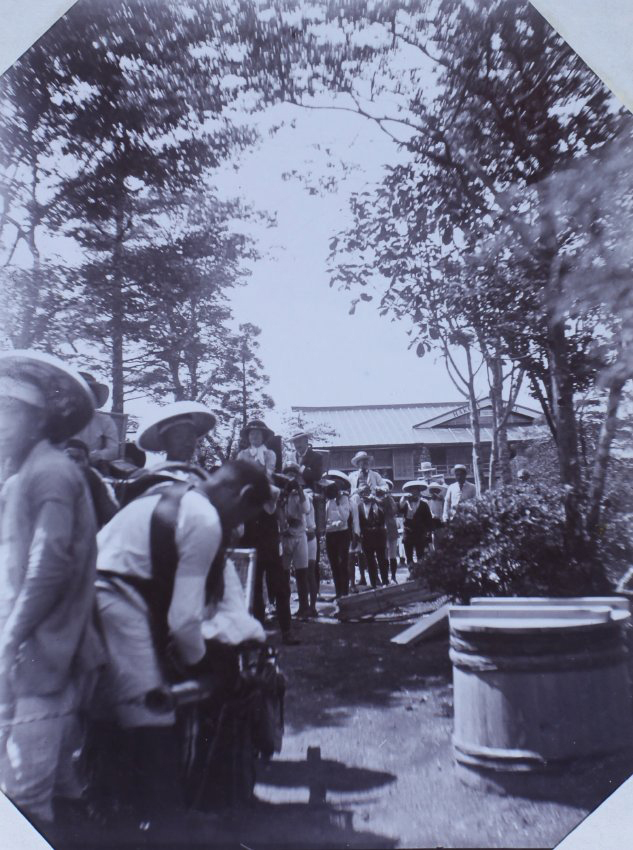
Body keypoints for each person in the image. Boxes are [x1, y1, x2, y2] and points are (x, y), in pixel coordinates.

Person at [94, 460, 271, 822]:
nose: (237, 526)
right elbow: (183, 621)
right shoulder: (204, 519)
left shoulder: (168, 494)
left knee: (110, 711)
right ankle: (168, 823)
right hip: (113, 597)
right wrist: (205, 667)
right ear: (244, 495)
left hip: (98, 594)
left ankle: (116, 809)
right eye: (243, 515)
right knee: (152, 711)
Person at [0, 350, 106, 830]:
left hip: (47, 655)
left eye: (11, 412)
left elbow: (48, 566)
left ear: (39, 420)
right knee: (59, 786)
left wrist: (10, 634)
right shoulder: (22, 477)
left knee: (23, 798)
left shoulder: (51, 473)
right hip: (34, 656)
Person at [235, 420, 298, 643]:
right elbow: (240, 478)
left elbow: (268, 476)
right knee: (253, 583)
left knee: (279, 582)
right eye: (252, 434)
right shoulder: (242, 454)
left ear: (264, 436)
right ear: (247, 436)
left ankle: (287, 630)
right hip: (250, 523)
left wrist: (258, 481)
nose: (255, 437)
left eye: (259, 434)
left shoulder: (270, 454)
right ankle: (258, 630)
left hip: (269, 524)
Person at [135, 400, 217, 464]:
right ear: (164, 441)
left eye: (191, 437)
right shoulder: (155, 478)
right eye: (179, 437)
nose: (187, 443)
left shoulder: (197, 476)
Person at [279, 462, 311, 620]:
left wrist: (299, 490)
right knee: (283, 574)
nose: (291, 478)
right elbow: (277, 509)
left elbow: (306, 510)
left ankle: (304, 607)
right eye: (288, 475)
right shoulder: (280, 494)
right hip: (285, 536)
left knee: (301, 572)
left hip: (299, 536)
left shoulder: (301, 494)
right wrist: (284, 492)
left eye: (294, 475)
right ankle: (284, 608)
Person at [65, 438, 120, 529]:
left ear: (87, 462)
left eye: (78, 459)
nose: (73, 464)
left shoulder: (94, 479)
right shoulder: (50, 480)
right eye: (69, 458)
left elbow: (112, 517)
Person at [72, 372, 120, 468]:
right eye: (80, 393)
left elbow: (113, 450)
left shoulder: (104, 421)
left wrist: (96, 455)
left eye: (89, 393)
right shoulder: (61, 418)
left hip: (94, 467)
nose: (84, 398)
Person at [324, 477, 352, 599]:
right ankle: (338, 592)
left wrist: (337, 502)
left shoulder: (344, 499)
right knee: (334, 564)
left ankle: (345, 593)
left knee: (342, 563)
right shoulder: (327, 501)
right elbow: (325, 519)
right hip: (330, 534)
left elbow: (345, 517)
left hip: (342, 534)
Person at [356, 484, 389, 587]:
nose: (364, 495)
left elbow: (385, 513)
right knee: (370, 561)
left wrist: (375, 501)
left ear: (370, 492)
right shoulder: (359, 506)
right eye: (362, 493)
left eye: (366, 492)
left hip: (379, 534)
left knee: (382, 559)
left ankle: (385, 581)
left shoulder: (377, 503)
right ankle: (374, 583)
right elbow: (359, 522)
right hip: (366, 536)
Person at [400, 480, 434, 569]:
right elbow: (398, 510)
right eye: (412, 491)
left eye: (416, 491)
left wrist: (428, 533)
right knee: (409, 557)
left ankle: (420, 575)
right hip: (408, 533)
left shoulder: (424, 504)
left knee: (421, 556)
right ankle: (411, 575)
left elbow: (429, 520)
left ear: (419, 492)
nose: (414, 493)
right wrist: (403, 499)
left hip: (420, 534)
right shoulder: (405, 503)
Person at [380, 480, 400, 583]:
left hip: (391, 528)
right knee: (383, 554)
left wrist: (386, 500)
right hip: (381, 529)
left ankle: (393, 577)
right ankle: (385, 578)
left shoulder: (390, 500)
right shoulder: (376, 500)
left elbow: (394, 511)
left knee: (392, 554)